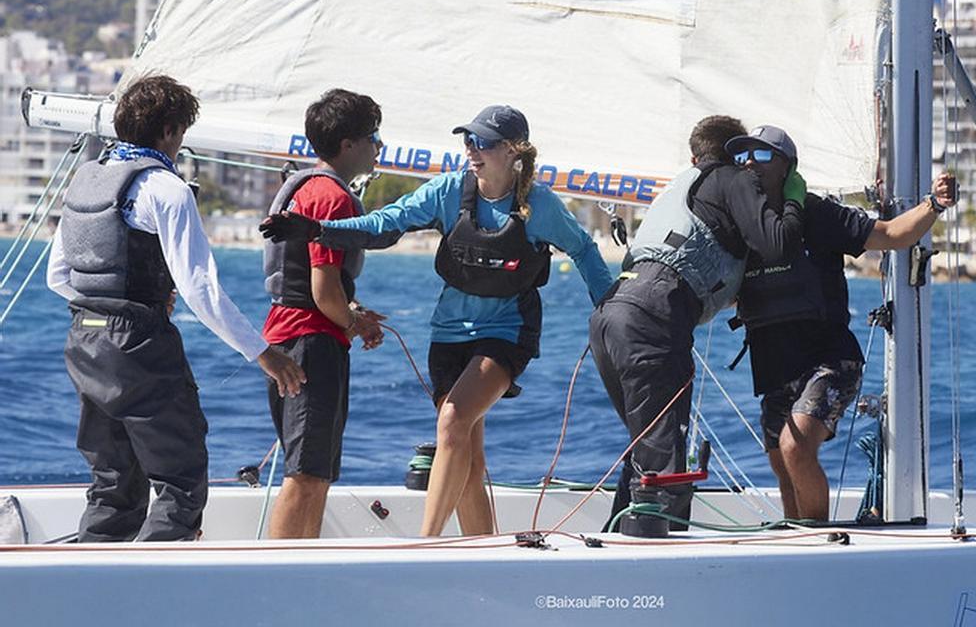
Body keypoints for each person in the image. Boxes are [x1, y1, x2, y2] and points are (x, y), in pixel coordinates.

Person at [260, 104, 613, 536]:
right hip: (448, 335)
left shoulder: (539, 206)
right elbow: (384, 225)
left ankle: (426, 545)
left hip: (506, 332)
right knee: (466, 452)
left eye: (482, 143)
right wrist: (317, 230)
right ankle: (484, 549)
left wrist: (608, 307)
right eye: (468, 141)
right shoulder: (447, 191)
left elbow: (583, 249)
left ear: (513, 151)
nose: (471, 150)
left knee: (452, 421)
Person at [46, 74, 305, 542]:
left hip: (83, 339)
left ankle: (94, 588)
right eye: (182, 132)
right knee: (180, 480)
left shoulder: (85, 184)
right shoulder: (167, 189)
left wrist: (111, 305)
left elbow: (58, 277)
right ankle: (153, 595)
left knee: (113, 484)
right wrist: (264, 353)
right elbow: (199, 290)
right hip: (139, 344)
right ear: (169, 131)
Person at [726, 124, 958, 523]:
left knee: (795, 447)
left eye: (762, 155)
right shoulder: (741, 223)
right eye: (742, 155)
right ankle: (794, 534)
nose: (749, 163)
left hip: (829, 359)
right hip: (774, 365)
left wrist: (933, 205)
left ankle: (816, 537)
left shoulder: (816, 214)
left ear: (787, 167)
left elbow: (892, 234)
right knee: (782, 463)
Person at [588, 115, 808, 534]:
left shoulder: (683, 185)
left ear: (693, 156)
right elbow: (777, 244)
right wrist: (793, 198)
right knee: (663, 465)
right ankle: (655, 572)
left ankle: (615, 541)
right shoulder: (733, 179)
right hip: (653, 314)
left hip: (611, 313)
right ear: (731, 157)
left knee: (649, 447)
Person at [261, 89, 394, 539]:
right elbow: (322, 291)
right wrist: (355, 322)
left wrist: (352, 310)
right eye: (373, 137)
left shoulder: (303, 187)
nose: (378, 147)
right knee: (306, 474)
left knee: (313, 471)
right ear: (348, 145)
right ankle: (275, 579)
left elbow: (320, 282)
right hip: (311, 344)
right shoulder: (331, 198)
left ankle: (299, 570)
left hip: (287, 336)